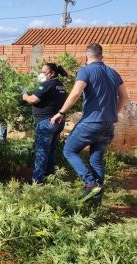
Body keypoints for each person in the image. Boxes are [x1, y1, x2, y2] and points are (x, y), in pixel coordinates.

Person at [51, 43, 129, 203]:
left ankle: (90, 184)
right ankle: (96, 199)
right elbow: (125, 98)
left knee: (69, 151)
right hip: (108, 125)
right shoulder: (114, 73)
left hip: (91, 123)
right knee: (96, 160)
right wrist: (114, 112)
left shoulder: (85, 70)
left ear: (86, 57)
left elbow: (76, 93)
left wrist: (61, 112)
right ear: (102, 56)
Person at [23, 63, 67, 183]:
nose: (41, 74)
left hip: (46, 123)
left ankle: (37, 181)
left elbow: (33, 99)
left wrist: (25, 96)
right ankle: (49, 176)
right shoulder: (61, 85)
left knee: (42, 152)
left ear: (52, 73)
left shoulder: (47, 84)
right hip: (57, 123)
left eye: (43, 72)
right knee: (51, 151)